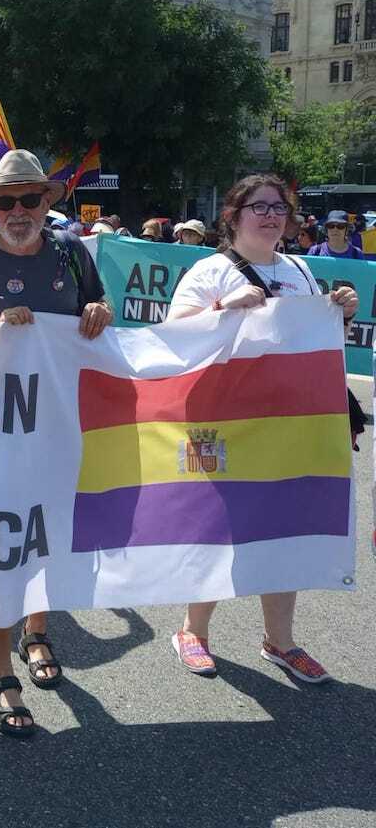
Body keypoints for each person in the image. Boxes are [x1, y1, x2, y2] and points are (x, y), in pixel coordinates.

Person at [0, 150, 111, 738]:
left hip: (58, 426)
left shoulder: (71, 253)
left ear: (46, 203)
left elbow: (100, 312)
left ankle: (38, 632)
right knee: (2, 548)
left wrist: (99, 310)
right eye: (6, 200)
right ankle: (0, 671)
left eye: (29, 199)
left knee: (47, 534)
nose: (17, 211)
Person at [167, 174, 357, 683]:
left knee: (283, 529)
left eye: (279, 207)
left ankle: (280, 640)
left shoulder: (299, 269)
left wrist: (340, 316)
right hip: (223, 420)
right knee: (218, 527)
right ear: (233, 216)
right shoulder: (209, 271)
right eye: (259, 206)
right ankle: (192, 631)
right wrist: (222, 309)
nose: (271, 216)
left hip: (285, 423)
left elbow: (314, 343)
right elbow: (174, 340)